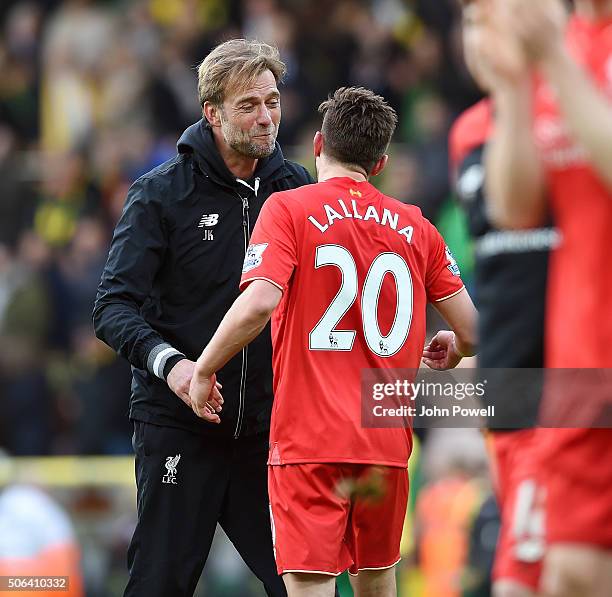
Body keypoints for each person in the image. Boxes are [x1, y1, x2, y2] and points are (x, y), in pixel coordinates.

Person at [188, 86, 478, 597]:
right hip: (384, 445)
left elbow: (259, 303)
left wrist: (206, 367)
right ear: (381, 162)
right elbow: (474, 332)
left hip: (310, 442)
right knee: (378, 578)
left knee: (311, 585)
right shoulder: (417, 227)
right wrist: (454, 345)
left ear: (318, 145)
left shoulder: (288, 210)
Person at [93, 39, 313, 597]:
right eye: (248, 106)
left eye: (272, 101)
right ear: (211, 114)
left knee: (306, 583)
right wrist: (174, 367)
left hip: (266, 432)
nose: (266, 118)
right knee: (159, 583)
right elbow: (112, 306)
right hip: (179, 424)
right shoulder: (161, 194)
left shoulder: (299, 191)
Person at [483, 1, 612, 595]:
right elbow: (513, 209)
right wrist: (513, 86)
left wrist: (554, 60)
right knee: (570, 574)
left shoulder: (571, 50)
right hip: (579, 363)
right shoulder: (570, 40)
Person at [450, 2, 559, 595]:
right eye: (469, 24)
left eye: (492, 21)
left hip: (573, 372)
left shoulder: (577, 107)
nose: (479, 40)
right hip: (506, 379)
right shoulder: (467, 131)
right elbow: (496, 266)